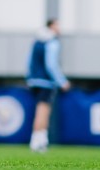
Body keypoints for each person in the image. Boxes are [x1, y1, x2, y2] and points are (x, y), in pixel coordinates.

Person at [26, 18, 70, 153]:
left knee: (39, 110)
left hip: (34, 80)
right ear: (51, 26)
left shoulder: (36, 41)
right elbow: (51, 65)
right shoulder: (52, 42)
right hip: (46, 82)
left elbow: (28, 61)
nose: (59, 28)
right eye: (57, 25)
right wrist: (62, 81)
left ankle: (39, 140)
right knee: (43, 111)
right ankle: (38, 141)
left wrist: (29, 77)